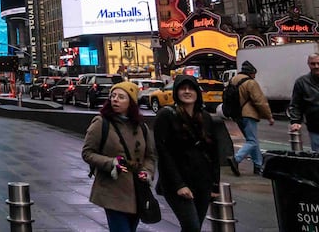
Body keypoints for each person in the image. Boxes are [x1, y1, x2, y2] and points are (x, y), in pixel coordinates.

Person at [81, 81, 156, 232]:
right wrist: (111, 162)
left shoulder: (141, 127)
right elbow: (87, 153)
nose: (115, 99)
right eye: (113, 96)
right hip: (112, 190)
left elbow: (150, 156)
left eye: (121, 97)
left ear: (131, 102)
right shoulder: (101, 123)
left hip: (137, 191)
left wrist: (147, 172)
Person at [154, 76, 220, 232]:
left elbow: (214, 153)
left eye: (191, 88)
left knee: (195, 226)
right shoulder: (166, 115)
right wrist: (179, 185)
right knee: (192, 226)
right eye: (183, 88)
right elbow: (163, 153)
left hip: (202, 182)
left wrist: (215, 184)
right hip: (177, 182)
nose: (187, 92)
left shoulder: (205, 117)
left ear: (197, 92)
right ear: (176, 92)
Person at [229, 60, 274, 175]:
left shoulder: (233, 80)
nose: (255, 76)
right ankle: (236, 159)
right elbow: (260, 101)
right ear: (251, 73)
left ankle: (258, 165)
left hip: (237, 114)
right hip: (248, 115)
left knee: (252, 140)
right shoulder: (251, 83)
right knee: (252, 141)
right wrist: (269, 116)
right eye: (254, 74)